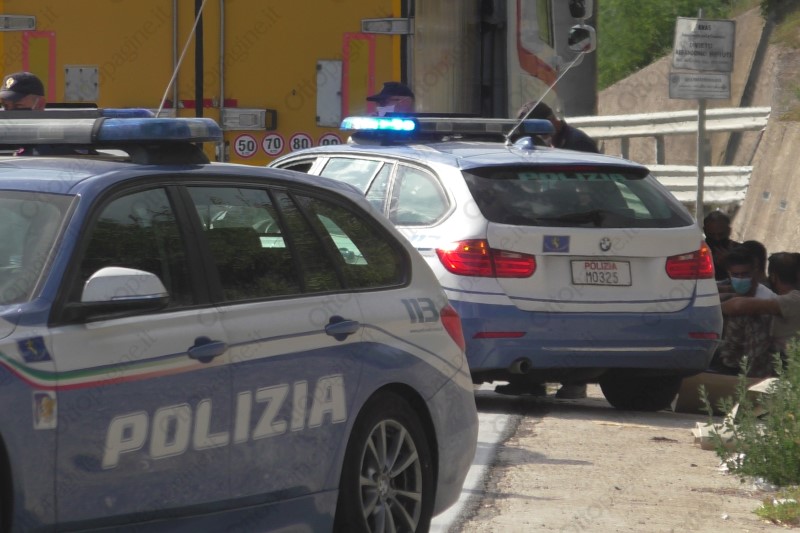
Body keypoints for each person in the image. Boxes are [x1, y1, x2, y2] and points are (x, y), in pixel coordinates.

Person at [714, 249, 800, 378]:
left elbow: (739, 306)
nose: (740, 278)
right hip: (778, 361)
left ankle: (732, 367)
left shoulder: (792, 299)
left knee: (747, 316)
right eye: (736, 275)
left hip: (779, 363)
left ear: (773, 277)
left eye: (745, 274)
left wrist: (713, 309)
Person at [516, 101, 599, 153]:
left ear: (550, 120)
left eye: (537, 128)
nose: (537, 135)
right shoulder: (546, 143)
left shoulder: (578, 143)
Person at [703, 210, 740, 282]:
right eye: (711, 235)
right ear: (705, 231)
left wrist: (729, 264)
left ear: (729, 231)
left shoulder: (742, 251)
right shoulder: (696, 251)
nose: (717, 238)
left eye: (721, 234)